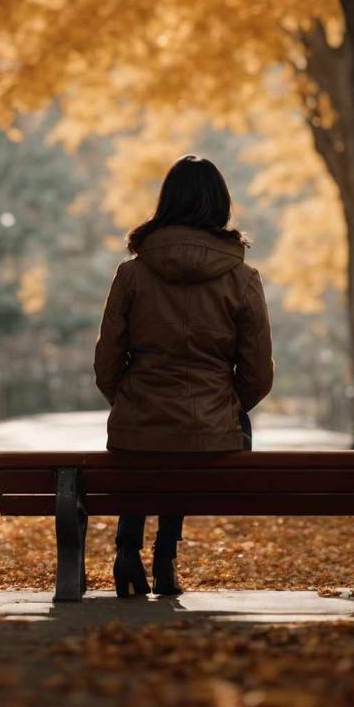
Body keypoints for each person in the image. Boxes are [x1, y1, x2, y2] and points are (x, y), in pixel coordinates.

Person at [94, 155, 274, 598]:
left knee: (147, 445)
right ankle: (166, 558)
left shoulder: (132, 274)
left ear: (166, 202)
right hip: (209, 429)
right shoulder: (243, 278)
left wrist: (131, 396)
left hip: (140, 422)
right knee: (184, 444)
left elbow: (106, 363)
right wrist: (225, 403)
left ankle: (126, 549)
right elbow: (257, 372)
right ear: (220, 204)